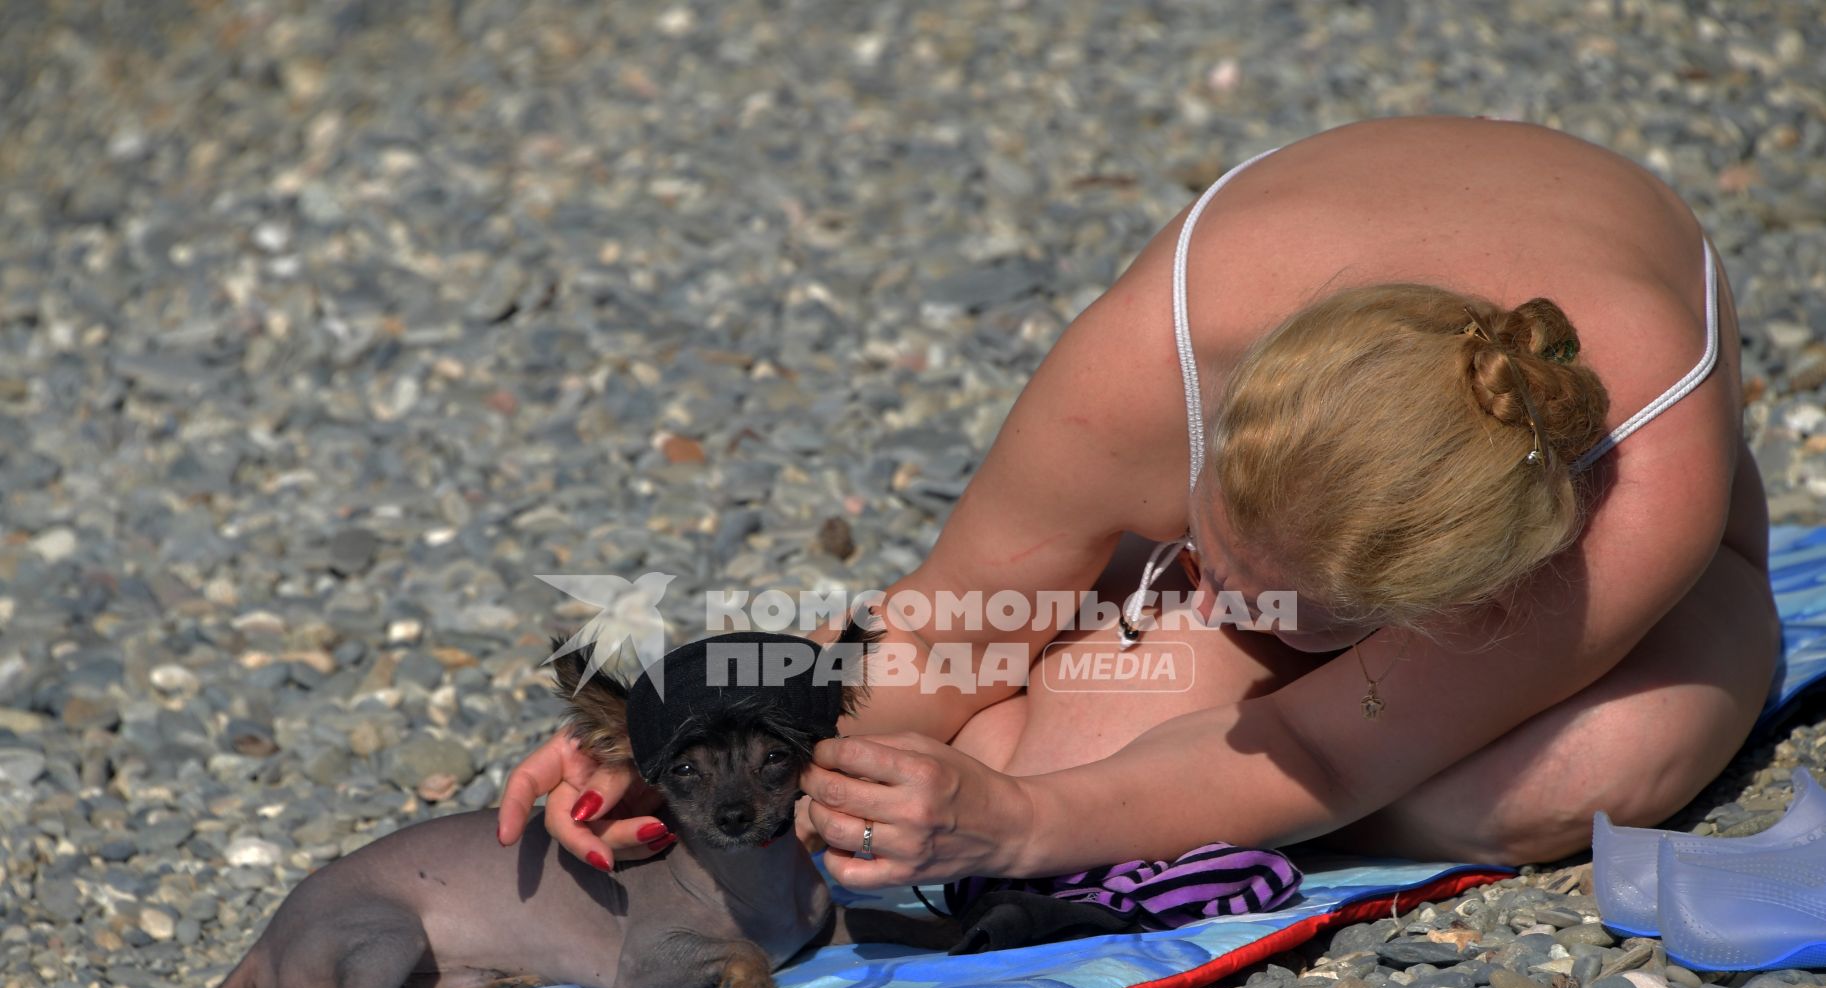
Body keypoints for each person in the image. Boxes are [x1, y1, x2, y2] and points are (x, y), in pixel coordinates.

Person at [497, 116, 1777, 893]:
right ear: (1216, 435)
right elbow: (953, 629)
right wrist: (666, 733)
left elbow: (1330, 748)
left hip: (1626, 549)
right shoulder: (1156, 357)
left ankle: (1214, 786)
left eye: (1278, 606)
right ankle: (1194, 767)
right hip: (1335, 450)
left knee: (1566, 778)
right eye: (1206, 549)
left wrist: (1033, 825)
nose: (1219, 599)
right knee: (1057, 743)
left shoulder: (1630, 492)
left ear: (1455, 600)